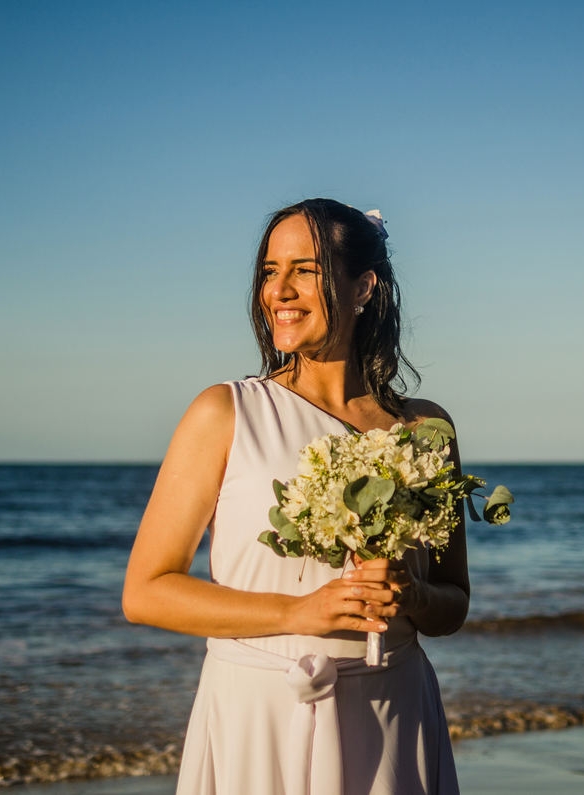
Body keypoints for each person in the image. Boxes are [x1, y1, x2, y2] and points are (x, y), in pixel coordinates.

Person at [122, 198, 468, 795]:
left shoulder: (425, 429)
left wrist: (409, 593)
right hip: (260, 713)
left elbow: (453, 604)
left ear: (363, 286)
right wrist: (295, 614)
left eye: (304, 270)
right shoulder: (225, 412)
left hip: (391, 710)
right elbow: (146, 592)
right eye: (268, 271)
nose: (279, 289)